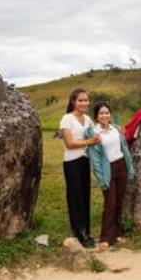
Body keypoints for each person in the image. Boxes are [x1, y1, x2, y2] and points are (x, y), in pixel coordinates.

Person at [85, 102, 135, 252]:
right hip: (108, 169)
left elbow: (124, 148)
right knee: (110, 203)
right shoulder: (94, 133)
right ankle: (105, 237)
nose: (105, 115)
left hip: (121, 166)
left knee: (119, 202)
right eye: (101, 113)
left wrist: (128, 167)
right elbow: (95, 159)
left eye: (107, 112)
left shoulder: (116, 129)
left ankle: (117, 234)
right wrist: (101, 178)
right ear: (96, 117)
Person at [60, 88, 101, 248]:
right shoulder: (67, 119)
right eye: (80, 100)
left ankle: (87, 232)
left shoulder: (88, 119)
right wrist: (90, 141)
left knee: (85, 197)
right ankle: (79, 234)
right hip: (72, 162)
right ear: (73, 102)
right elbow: (70, 144)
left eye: (86, 100)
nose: (84, 103)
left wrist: (115, 128)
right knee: (75, 198)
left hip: (84, 161)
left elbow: (97, 133)